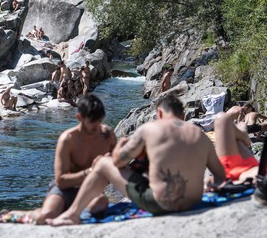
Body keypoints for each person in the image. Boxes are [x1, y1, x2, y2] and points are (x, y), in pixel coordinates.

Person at [47, 94, 226, 226]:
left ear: (160, 113)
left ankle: (72, 214)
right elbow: (220, 176)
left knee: (103, 163)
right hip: (193, 202)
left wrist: (121, 144)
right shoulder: (200, 135)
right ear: (182, 114)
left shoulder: (149, 129)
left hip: (160, 204)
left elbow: (117, 163)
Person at [4, 94, 116, 225]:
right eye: (92, 122)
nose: (97, 126)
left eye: (99, 120)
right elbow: (61, 181)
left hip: (91, 189)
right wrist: (91, 171)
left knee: (100, 206)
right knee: (45, 217)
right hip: (65, 189)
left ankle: (70, 214)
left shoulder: (107, 135)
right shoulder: (67, 139)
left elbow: (117, 165)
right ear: (79, 118)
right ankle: (16, 214)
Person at [212, 112, 267, 205]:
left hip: (229, 173)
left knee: (222, 119)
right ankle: (242, 132)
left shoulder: (249, 113)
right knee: (222, 120)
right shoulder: (253, 113)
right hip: (253, 168)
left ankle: (242, 132)